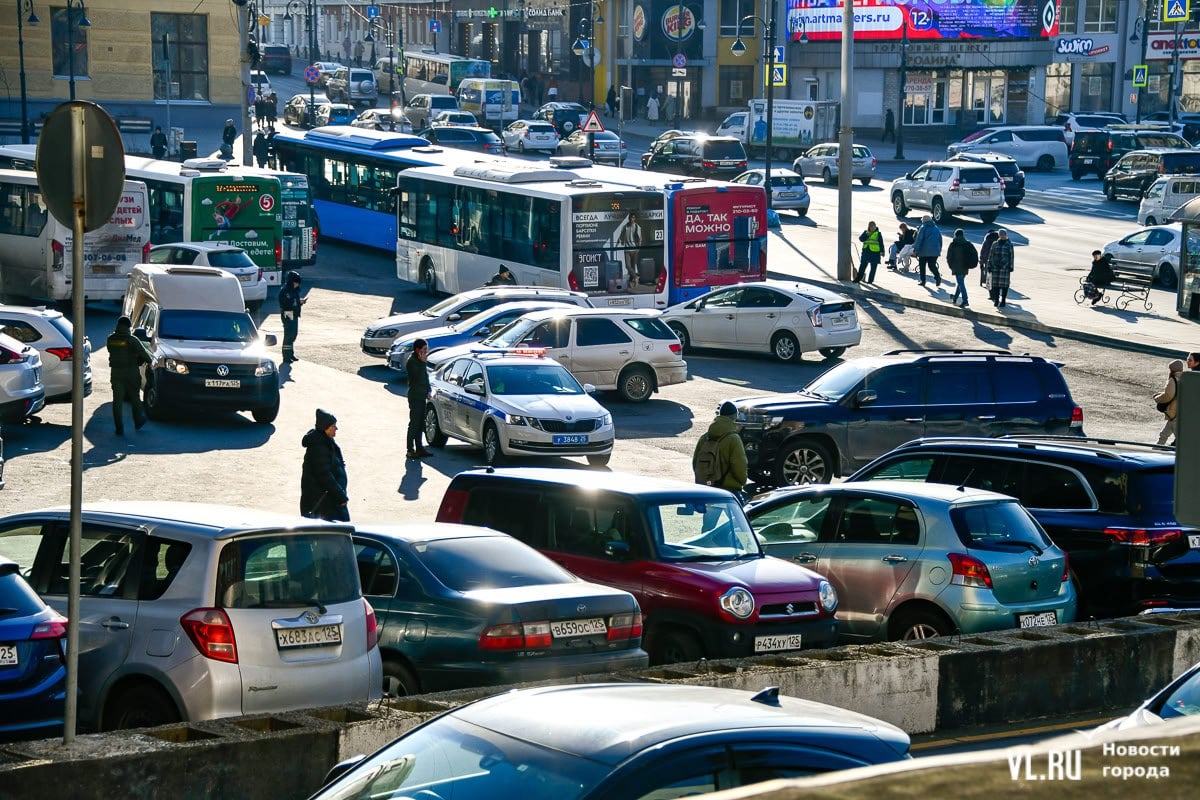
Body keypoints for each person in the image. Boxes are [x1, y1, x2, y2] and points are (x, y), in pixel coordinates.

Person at [106, 316, 152, 435]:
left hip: (116, 372)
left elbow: (111, 351)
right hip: (131, 372)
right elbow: (146, 357)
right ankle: (138, 421)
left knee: (117, 401)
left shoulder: (110, 339)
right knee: (135, 398)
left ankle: (119, 428)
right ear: (128, 327)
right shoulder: (132, 340)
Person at [692, 401, 748, 499]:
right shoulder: (733, 438)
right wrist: (742, 481)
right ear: (734, 417)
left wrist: (708, 477)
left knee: (710, 513)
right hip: (729, 489)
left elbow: (695, 462)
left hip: (708, 487)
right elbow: (739, 465)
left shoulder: (705, 437)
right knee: (743, 513)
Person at [302, 408, 350, 521]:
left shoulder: (325, 442)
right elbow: (324, 475)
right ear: (325, 428)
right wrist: (341, 497)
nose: (336, 428)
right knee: (336, 534)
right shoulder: (319, 447)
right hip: (325, 504)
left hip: (328, 500)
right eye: (333, 426)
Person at [406, 338, 432, 459]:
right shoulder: (412, 362)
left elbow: (425, 377)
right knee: (414, 424)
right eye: (424, 349)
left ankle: (420, 448)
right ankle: (410, 449)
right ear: (417, 350)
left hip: (422, 396)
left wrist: (429, 390)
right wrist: (422, 363)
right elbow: (417, 378)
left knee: (421, 424)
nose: (426, 352)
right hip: (415, 397)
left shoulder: (421, 361)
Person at [278, 270, 308, 363]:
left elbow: (294, 300)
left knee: (293, 334)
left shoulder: (293, 290)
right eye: (296, 282)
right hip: (288, 313)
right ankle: (286, 356)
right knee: (288, 335)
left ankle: (290, 354)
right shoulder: (285, 291)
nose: (297, 285)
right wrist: (297, 302)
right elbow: (287, 303)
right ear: (292, 282)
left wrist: (300, 301)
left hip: (294, 314)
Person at [1154, 359, 1185, 447]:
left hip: (1173, 412)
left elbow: (1169, 395)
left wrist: (1157, 398)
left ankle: (1157, 450)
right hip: (1177, 412)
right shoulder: (1184, 378)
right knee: (1164, 434)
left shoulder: (1173, 380)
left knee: (1179, 438)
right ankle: (1156, 450)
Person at [946, 228, 978, 308]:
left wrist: (951, 266)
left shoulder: (953, 244)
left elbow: (949, 257)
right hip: (965, 266)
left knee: (961, 283)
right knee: (960, 283)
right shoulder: (967, 243)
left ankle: (965, 300)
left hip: (956, 267)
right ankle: (955, 298)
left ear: (955, 235)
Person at [913, 214, 943, 287]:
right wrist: (939, 249)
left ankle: (923, 281)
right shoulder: (936, 228)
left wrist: (916, 250)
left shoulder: (923, 228)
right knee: (932, 265)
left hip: (924, 251)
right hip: (935, 251)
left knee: (922, 265)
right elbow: (940, 239)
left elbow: (919, 239)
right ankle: (938, 277)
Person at [987, 228, 1015, 308]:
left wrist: (1011, 266)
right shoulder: (995, 244)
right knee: (995, 285)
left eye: (1004, 235)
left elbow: (1011, 256)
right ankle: (996, 299)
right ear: (999, 235)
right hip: (995, 267)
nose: (1002, 236)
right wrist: (989, 265)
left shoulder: (1009, 245)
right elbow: (991, 255)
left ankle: (1003, 300)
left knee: (1004, 286)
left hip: (1004, 268)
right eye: (1001, 235)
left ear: (1006, 235)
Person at [619, 210, 645, 286]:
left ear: (635, 219)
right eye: (631, 217)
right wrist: (621, 241)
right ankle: (636, 277)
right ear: (629, 218)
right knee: (628, 266)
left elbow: (640, 238)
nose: (632, 219)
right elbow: (621, 235)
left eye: (633, 218)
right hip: (627, 249)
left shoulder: (637, 227)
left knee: (633, 267)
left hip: (634, 249)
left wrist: (638, 248)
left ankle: (632, 282)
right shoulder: (625, 226)